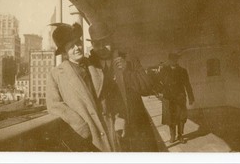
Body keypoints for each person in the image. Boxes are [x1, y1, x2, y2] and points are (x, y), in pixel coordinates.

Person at [46, 22, 126, 152]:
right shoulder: (56, 74)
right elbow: (54, 105)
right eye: (71, 46)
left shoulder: (95, 65)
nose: (77, 48)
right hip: (88, 138)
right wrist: (80, 126)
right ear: (65, 52)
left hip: (110, 131)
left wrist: (120, 119)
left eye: (78, 43)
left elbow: (114, 93)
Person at [87, 22, 158, 152]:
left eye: (105, 42)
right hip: (110, 129)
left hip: (136, 126)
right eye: (97, 44)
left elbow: (147, 87)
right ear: (92, 45)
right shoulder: (89, 65)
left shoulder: (128, 58)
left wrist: (127, 71)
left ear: (111, 41)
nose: (102, 47)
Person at [158, 52, 195, 144]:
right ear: (169, 60)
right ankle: (172, 136)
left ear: (177, 60)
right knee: (171, 118)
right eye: (172, 59)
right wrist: (160, 92)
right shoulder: (164, 71)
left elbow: (187, 85)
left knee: (181, 118)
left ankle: (180, 135)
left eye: (175, 59)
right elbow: (158, 82)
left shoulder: (183, 71)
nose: (173, 61)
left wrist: (191, 98)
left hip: (180, 97)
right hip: (168, 98)